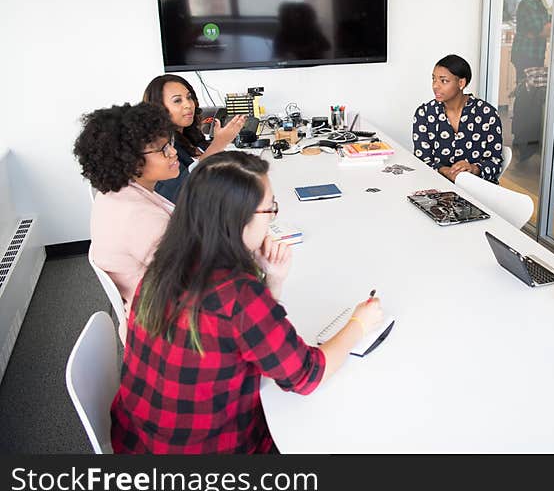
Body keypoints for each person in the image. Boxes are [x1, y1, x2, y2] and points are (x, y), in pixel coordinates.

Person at [110, 152, 384, 453]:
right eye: (270, 210)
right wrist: (359, 323)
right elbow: (306, 375)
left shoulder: (164, 265)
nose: (273, 220)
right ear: (239, 220)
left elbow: (240, 335)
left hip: (139, 441)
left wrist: (273, 280)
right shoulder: (237, 295)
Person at [73, 102, 179, 342]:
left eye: (169, 143)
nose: (172, 153)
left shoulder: (115, 194)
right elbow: (196, 284)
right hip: (166, 334)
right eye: (161, 149)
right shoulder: (139, 217)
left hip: (147, 313)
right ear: (129, 160)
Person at [142, 74, 247, 203]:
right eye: (177, 100)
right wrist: (218, 144)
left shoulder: (193, 138)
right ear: (158, 108)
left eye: (189, 97)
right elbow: (182, 192)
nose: (188, 105)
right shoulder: (159, 151)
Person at [412, 54, 504, 184]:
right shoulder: (425, 114)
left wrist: (473, 169)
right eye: (434, 79)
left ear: (461, 83)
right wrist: (446, 171)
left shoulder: (487, 114)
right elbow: (422, 161)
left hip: (478, 190)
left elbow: (495, 162)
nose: (435, 86)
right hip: (437, 187)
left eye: (443, 81)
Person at [510, 0, 551, 161]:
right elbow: (542, 30)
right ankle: (523, 140)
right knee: (526, 97)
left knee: (530, 97)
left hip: (534, 54)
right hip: (526, 56)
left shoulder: (538, 4)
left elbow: (544, 29)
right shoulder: (527, 4)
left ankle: (525, 141)